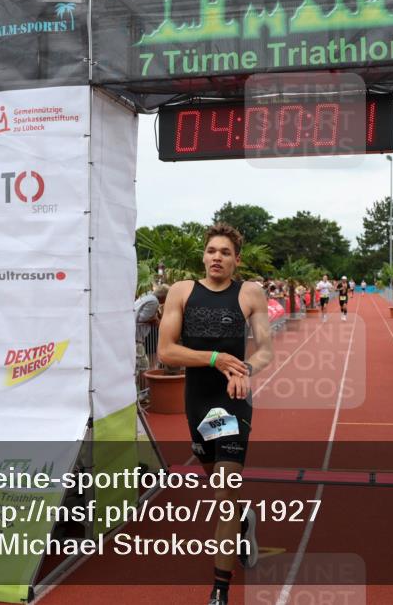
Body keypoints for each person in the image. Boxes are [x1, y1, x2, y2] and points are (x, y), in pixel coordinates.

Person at [157, 224, 274, 605]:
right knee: (220, 487)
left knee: (224, 492)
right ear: (203, 256)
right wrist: (214, 359)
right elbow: (166, 352)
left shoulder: (249, 293)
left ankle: (219, 591)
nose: (217, 257)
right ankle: (243, 520)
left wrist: (244, 370)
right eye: (211, 251)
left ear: (236, 259)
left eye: (225, 252)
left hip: (232, 401)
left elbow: (265, 350)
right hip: (198, 403)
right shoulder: (182, 291)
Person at [134, 284, 169, 400]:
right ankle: (143, 394)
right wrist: (156, 320)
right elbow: (142, 318)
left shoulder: (147, 297)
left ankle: (141, 392)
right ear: (164, 296)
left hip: (136, 337)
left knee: (140, 365)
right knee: (143, 365)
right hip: (136, 338)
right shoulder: (154, 301)